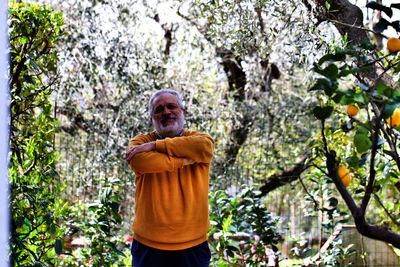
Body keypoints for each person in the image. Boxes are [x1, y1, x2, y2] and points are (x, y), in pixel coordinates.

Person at [125, 89, 214, 267]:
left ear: (183, 112)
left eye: (171, 106)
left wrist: (155, 146)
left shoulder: (199, 140)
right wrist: (185, 159)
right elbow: (139, 162)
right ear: (152, 119)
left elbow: (205, 148)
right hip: (148, 246)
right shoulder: (139, 143)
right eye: (159, 109)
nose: (166, 112)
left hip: (193, 245)